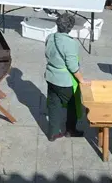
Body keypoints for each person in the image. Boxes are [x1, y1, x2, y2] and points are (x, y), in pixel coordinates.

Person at [44, 12, 85, 141]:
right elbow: (73, 66)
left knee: (53, 105)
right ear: (70, 27)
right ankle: (70, 130)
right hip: (64, 81)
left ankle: (53, 133)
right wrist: (82, 80)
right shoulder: (70, 43)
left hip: (50, 76)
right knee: (72, 105)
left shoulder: (50, 37)